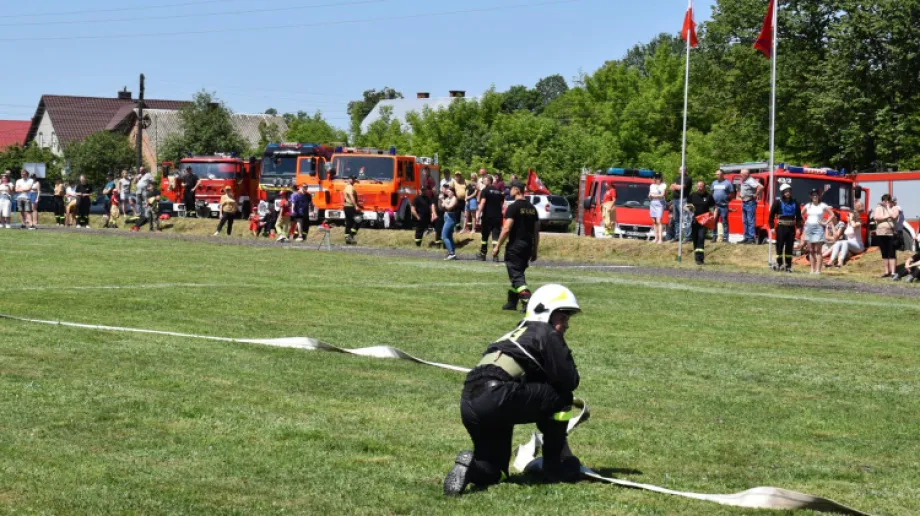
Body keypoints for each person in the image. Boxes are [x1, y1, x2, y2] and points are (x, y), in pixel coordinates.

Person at [443, 284, 583, 496]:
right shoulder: (546, 332)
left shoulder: (515, 333)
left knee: (496, 471)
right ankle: (554, 467)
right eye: (563, 317)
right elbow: (569, 380)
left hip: (471, 400)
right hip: (499, 395)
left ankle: (470, 467)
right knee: (563, 397)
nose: (566, 324)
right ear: (545, 312)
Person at [494, 180, 539, 311]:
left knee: (516, 275)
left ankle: (527, 299)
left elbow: (506, 229)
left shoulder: (513, 207)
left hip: (515, 246)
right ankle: (512, 302)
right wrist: (535, 249)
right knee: (518, 273)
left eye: (510, 189)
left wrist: (497, 245)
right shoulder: (532, 208)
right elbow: (536, 232)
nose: (509, 191)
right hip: (527, 246)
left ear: (517, 190)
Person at [768, 184, 804, 272]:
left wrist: (799, 228)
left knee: (789, 247)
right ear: (783, 192)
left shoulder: (795, 203)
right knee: (779, 247)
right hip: (781, 228)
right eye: (786, 191)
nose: (788, 193)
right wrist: (772, 227)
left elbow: (799, 217)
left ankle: (788, 266)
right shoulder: (778, 202)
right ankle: (779, 264)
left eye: (789, 191)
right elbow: (771, 216)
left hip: (791, 228)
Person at [803, 189, 834, 274]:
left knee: (818, 250)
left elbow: (832, 214)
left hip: (818, 227)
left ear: (819, 196)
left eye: (816, 195)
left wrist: (825, 222)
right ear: (811, 196)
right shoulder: (808, 205)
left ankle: (818, 270)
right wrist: (805, 221)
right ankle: (812, 269)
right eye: (813, 195)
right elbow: (801, 214)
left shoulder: (823, 205)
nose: (815, 196)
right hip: (809, 227)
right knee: (811, 250)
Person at [872, 194, 901, 278]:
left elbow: (894, 216)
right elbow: (876, 217)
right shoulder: (878, 208)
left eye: (888, 200)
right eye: (885, 200)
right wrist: (887, 216)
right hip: (881, 233)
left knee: (892, 252)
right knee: (884, 252)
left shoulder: (895, 208)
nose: (887, 202)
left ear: (891, 201)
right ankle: (886, 271)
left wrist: (888, 208)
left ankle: (893, 272)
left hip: (891, 233)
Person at [477, 176, 505, 262]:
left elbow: (482, 202)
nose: (483, 182)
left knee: (484, 237)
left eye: (484, 180)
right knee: (495, 238)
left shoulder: (485, 191)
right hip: (497, 217)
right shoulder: (499, 192)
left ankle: (483, 255)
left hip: (487, 217)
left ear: (488, 181)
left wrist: (478, 214)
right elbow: (501, 205)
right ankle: (495, 256)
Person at [686, 181, 715, 265]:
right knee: (695, 239)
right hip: (695, 220)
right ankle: (696, 257)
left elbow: (713, 207)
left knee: (701, 238)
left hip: (704, 221)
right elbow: (687, 206)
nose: (699, 188)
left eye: (701, 186)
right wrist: (689, 209)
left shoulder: (708, 196)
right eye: (698, 186)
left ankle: (700, 258)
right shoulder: (692, 195)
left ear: (704, 187)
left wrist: (712, 217)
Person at [667, 168, 692, 242]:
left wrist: (676, 186)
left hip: (684, 200)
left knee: (686, 218)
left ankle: (688, 237)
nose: (681, 171)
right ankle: (677, 236)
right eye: (680, 170)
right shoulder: (677, 178)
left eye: (682, 170)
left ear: (685, 171)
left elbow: (682, 187)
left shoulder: (687, 178)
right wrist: (676, 186)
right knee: (676, 219)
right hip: (675, 200)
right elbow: (671, 187)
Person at [738, 169, 763, 244]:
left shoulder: (750, 180)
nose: (740, 175)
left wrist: (756, 194)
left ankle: (751, 238)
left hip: (750, 202)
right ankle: (746, 237)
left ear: (746, 174)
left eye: (741, 174)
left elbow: (761, 187)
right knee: (745, 221)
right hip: (744, 202)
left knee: (750, 221)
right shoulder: (745, 180)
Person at [710, 169, 733, 243]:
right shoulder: (714, 183)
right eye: (716, 174)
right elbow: (712, 192)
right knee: (714, 221)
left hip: (724, 206)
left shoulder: (728, 183)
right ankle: (714, 236)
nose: (717, 175)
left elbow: (732, 194)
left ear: (723, 175)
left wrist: (727, 200)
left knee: (724, 222)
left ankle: (726, 238)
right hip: (716, 206)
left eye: (719, 174)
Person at [441, 186, 460, 260]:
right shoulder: (447, 198)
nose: (447, 193)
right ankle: (452, 253)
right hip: (446, 217)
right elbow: (442, 206)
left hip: (450, 218)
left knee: (444, 236)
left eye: (449, 191)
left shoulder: (454, 199)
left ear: (453, 192)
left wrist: (443, 201)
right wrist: (442, 200)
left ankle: (451, 253)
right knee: (449, 236)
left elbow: (449, 207)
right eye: (447, 191)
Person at [649, 173, 667, 244]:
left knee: (659, 221)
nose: (657, 179)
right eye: (656, 177)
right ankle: (656, 238)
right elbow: (650, 195)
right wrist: (651, 196)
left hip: (660, 204)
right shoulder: (652, 186)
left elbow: (662, 195)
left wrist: (655, 195)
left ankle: (660, 239)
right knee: (654, 221)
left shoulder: (663, 185)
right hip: (652, 203)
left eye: (658, 177)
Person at [343, 175, 362, 245]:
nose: (353, 180)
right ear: (349, 179)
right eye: (352, 179)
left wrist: (358, 205)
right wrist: (356, 206)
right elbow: (351, 196)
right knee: (358, 220)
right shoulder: (349, 187)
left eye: (354, 179)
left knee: (349, 223)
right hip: (350, 207)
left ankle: (347, 239)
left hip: (347, 206)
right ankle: (351, 236)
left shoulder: (347, 187)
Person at [432, 183, 447, 248]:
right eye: (444, 188)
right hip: (438, 215)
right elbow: (433, 205)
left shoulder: (448, 196)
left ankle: (445, 245)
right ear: (441, 189)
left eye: (447, 188)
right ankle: (438, 245)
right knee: (438, 230)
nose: (446, 189)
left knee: (445, 230)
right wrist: (434, 214)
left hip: (446, 216)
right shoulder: (436, 196)